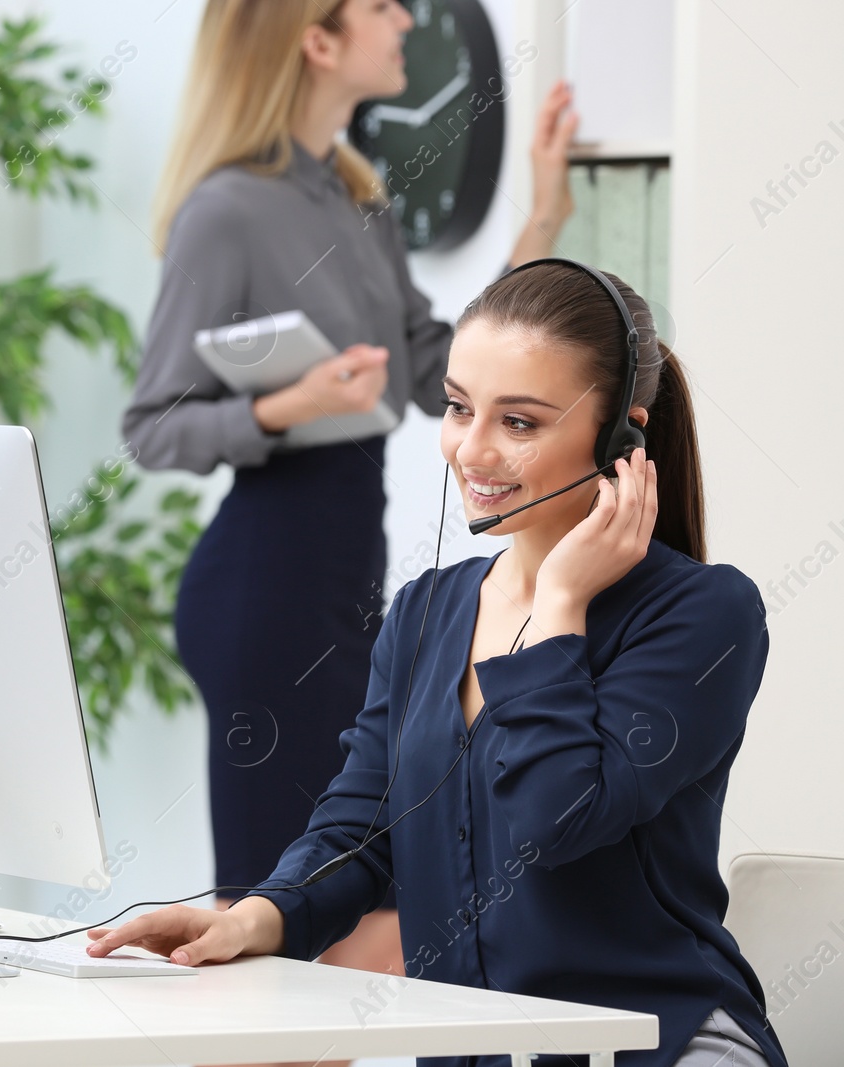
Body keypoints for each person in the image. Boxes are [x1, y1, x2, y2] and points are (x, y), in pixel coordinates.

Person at [90, 262, 787, 1067]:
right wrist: (252, 918)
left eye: (520, 422)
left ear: (621, 439)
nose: (471, 449)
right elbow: (361, 828)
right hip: (474, 1053)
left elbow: (556, 822)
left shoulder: (704, 615)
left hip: (656, 1047)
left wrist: (557, 605)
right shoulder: (425, 612)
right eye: (459, 408)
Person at [122, 0, 579, 989]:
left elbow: (440, 370)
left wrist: (541, 217)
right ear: (315, 39)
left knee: (341, 906)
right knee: (273, 919)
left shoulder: (358, 200)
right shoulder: (225, 209)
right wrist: (286, 403)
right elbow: (151, 425)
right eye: (379, 6)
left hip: (342, 580)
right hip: (263, 587)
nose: (407, 19)